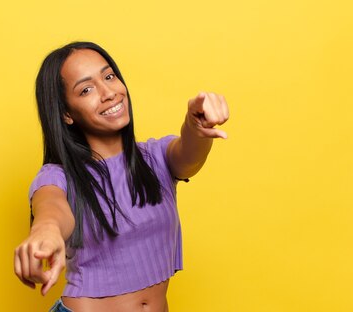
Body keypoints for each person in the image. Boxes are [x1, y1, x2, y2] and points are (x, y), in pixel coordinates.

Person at [14, 41, 229, 312]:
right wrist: (46, 231)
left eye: (109, 76)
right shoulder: (57, 176)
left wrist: (196, 125)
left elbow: (188, 155)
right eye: (86, 89)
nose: (108, 93)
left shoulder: (154, 158)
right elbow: (52, 208)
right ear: (66, 114)